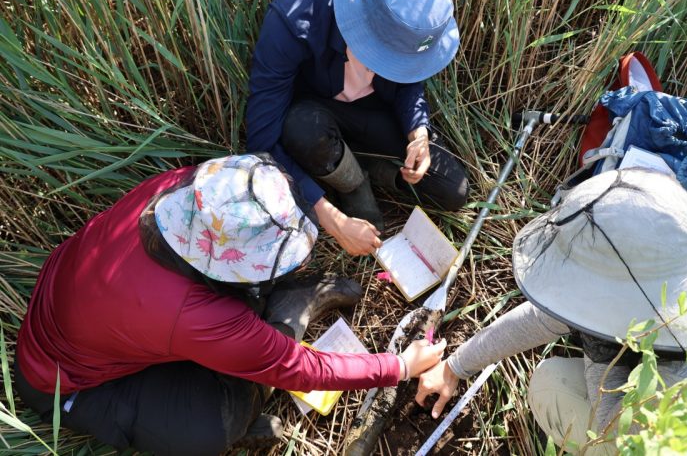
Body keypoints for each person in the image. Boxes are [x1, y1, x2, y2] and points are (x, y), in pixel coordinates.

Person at [14, 154, 447, 456]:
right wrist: (400, 367)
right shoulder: (193, 314)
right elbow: (301, 369)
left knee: (232, 333)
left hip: (85, 310)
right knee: (211, 427)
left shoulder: (184, 189)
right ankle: (275, 339)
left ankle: (269, 330)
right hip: (67, 385)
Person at [415, 168, 687, 453]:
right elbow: (546, 316)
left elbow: (615, 438)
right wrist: (455, 366)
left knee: (549, 383)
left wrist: (599, 350)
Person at [246, 0, 469, 257]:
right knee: (302, 127)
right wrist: (332, 220)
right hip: (315, 122)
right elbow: (262, 142)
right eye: (387, 59)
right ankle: (352, 185)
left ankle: (364, 166)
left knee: (452, 190)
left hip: (374, 116)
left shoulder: (408, 26)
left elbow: (410, 81)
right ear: (360, 27)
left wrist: (418, 132)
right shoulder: (294, 20)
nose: (389, 67)